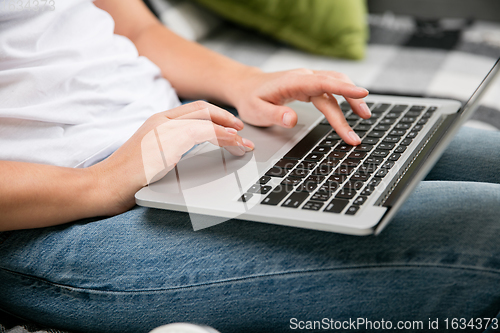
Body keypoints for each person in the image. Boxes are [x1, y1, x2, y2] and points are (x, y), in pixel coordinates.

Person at [0, 0, 499, 332]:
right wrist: (101, 182)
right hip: (62, 214)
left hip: (187, 136)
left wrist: (244, 82)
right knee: (487, 226)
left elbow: (134, 27)